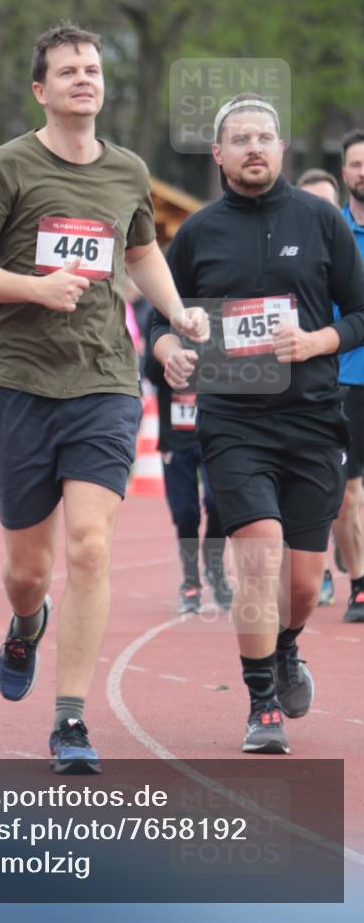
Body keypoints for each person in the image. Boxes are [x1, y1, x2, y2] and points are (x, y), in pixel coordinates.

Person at [0, 23, 209, 773]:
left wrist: (176, 307)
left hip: (101, 381)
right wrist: (33, 287)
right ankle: (26, 622)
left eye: (92, 69)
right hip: (18, 383)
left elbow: (140, 249)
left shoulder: (127, 170)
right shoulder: (6, 168)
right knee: (30, 568)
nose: (83, 80)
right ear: (41, 89)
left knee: (91, 546)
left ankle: (70, 722)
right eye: (67, 71)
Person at [152, 93, 364, 756]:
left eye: (263, 137)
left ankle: (286, 649)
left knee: (300, 585)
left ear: (281, 149)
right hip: (233, 420)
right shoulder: (197, 232)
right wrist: (167, 350)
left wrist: (317, 342)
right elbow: (159, 320)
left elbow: (360, 312)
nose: (252, 147)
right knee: (256, 555)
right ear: (217, 155)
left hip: (310, 419)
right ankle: (261, 705)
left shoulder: (322, 220)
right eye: (239, 138)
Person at [143, 318, 232, 613]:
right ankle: (190, 579)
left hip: (214, 433)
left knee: (218, 501)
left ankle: (215, 563)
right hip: (176, 438)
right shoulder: (164, 314)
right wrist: (174, 355)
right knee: (185, 513)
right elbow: (151, 371)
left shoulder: (217, 312)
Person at [295, 169, 341, 606]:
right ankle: (326, 567)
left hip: (350, 370)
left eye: (325, 204)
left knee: (351, 495)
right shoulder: (285, 251)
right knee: (343, 487)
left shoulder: (343, 241)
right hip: (315, 390)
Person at [331, 130, 364, 622]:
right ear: (344, 172)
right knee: (347, 487)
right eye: (357, 164)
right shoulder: (330, 229)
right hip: (345, 375)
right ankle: (359, 583)